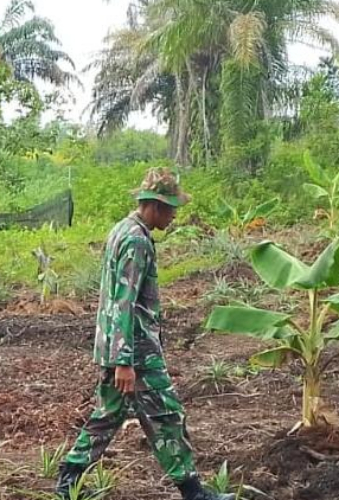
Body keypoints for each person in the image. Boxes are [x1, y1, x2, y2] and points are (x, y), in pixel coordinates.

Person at [55, 168, 234, 500]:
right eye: (170, 208)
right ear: (153, 205)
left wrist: (116, 354)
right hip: (135, 350)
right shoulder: (137, 240)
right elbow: (124, 301)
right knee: (167, 414)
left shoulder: (121, 230)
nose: (174, 215)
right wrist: (125, 361)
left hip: (117, 344)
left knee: (109, 415)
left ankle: (69, 478)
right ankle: (193, 492)